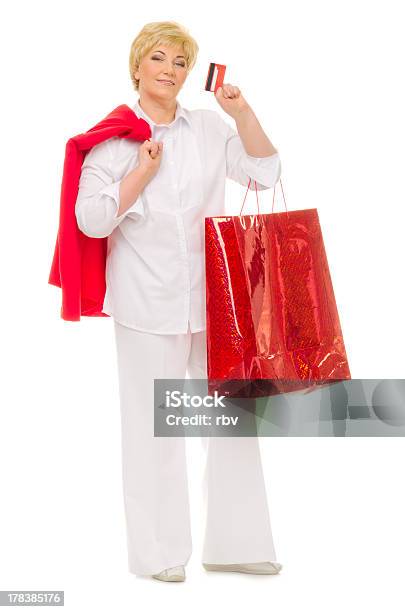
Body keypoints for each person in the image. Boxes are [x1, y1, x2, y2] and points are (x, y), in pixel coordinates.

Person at [75, 20, 283, 582]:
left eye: (181, 62)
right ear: (138, 65)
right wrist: (140, 173)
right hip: (148, 302)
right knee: (153, 427)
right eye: (160, 58)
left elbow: (265, 171)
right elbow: (91, 221)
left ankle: (236, 543)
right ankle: (159, 553)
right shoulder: (114, 141)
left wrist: (242, 113)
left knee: (234, 416)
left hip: (214, 299)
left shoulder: (211, 130)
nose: (170, 70)